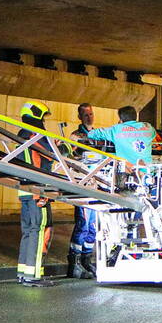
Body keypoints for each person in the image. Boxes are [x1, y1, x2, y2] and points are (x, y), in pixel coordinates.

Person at [16, 100, 55, 287]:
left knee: (28, 231)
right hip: (38, 190)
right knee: (40, 231)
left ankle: (24, 272)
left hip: (24, 192)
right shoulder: (37, 135)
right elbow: (50, 155)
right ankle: (34, 275)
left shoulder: (20, 134)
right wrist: (66, 147)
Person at [67, 102, 99, 279]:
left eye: (91, 114)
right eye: (86, 115)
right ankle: (75, 263)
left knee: (92, 226)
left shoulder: (97, 134)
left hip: (96, 185)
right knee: (83, 225)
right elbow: (72, 156)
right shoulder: (76, 135)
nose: (89, 117)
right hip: (83, 184)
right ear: (80, 117)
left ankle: (87, 261)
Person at [87, 105, 157, 172]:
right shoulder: (148, 128)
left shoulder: (116, 129)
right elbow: (153, 133)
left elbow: (93, 134)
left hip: (128, 170)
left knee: (99, 156)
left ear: (121, 119)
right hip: (147, 170)